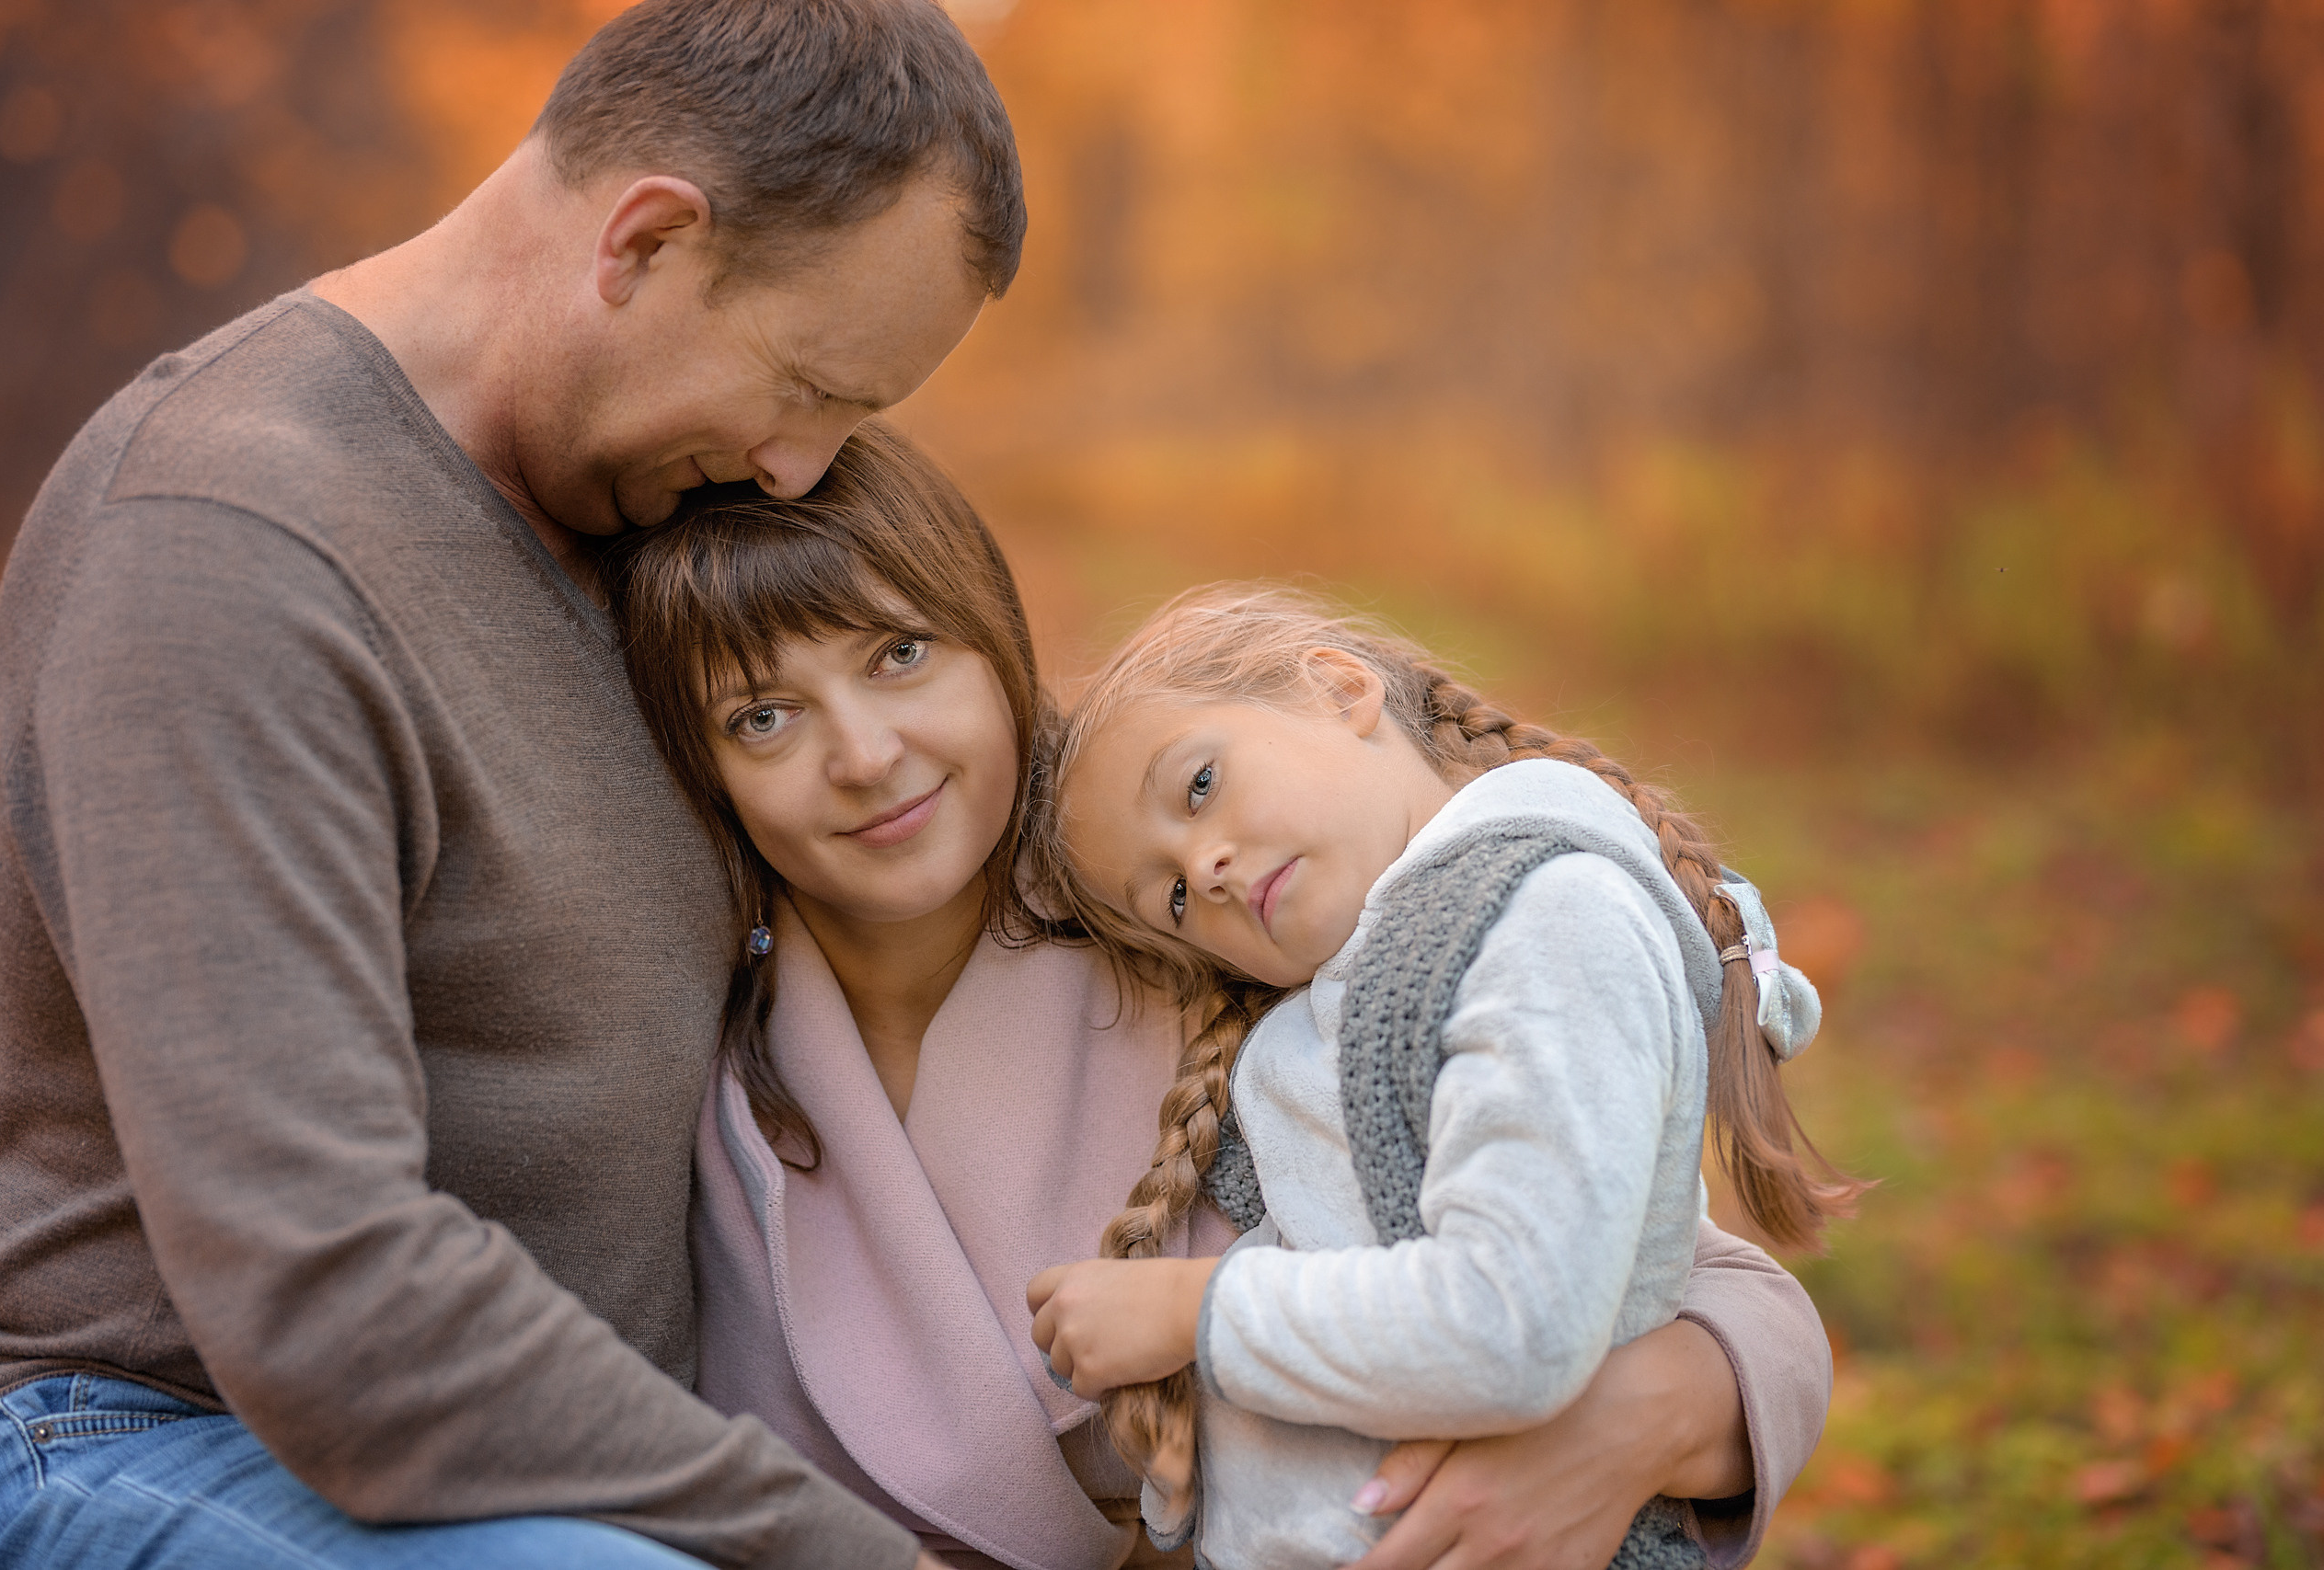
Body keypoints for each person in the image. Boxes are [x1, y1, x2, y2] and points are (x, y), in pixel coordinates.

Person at [0, 3, 1019, 1566]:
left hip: (565, 1476)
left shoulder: (649, 516)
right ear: (648, 241)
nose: (803, 471)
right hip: (157, 1437)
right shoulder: (230, 548)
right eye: (806, 388)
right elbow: (327, 1310)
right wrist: (837, 1547)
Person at [606, 428, 1836, 1570]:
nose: (866, 753)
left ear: (992, 640)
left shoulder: (1206, 914)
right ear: (704, 770)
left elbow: (1683, 1271)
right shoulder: (690, 1030)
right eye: (762, 715)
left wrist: (1637, 1421)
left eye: (901, 653)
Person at [1026, 587, 1867, 1569]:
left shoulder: (1544, 924)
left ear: (1339, 689)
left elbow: (1515, 1318)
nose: (1203, 867)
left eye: (1201, 786)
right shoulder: (1351, 989)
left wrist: (1187, 1315)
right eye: (1170, 894)